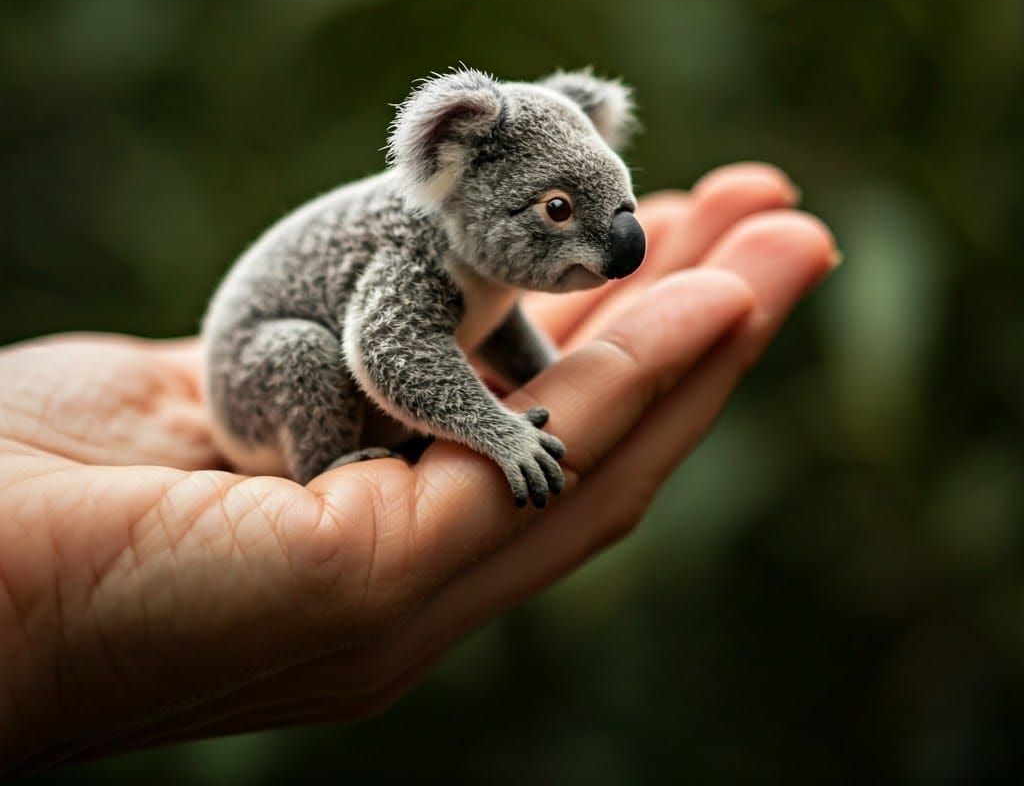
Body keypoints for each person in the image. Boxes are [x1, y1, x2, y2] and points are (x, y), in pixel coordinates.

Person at [0, 164, 837, 774]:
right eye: (560, 210)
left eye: (608, 207)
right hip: (266, 398)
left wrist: (541, 371)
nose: (605, 235)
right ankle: (330, 453)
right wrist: (500, 435)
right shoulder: (420, 242)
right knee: (309, 350)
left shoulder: (478, 244)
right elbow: (389, 350)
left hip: (324, 372)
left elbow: (487, 315)